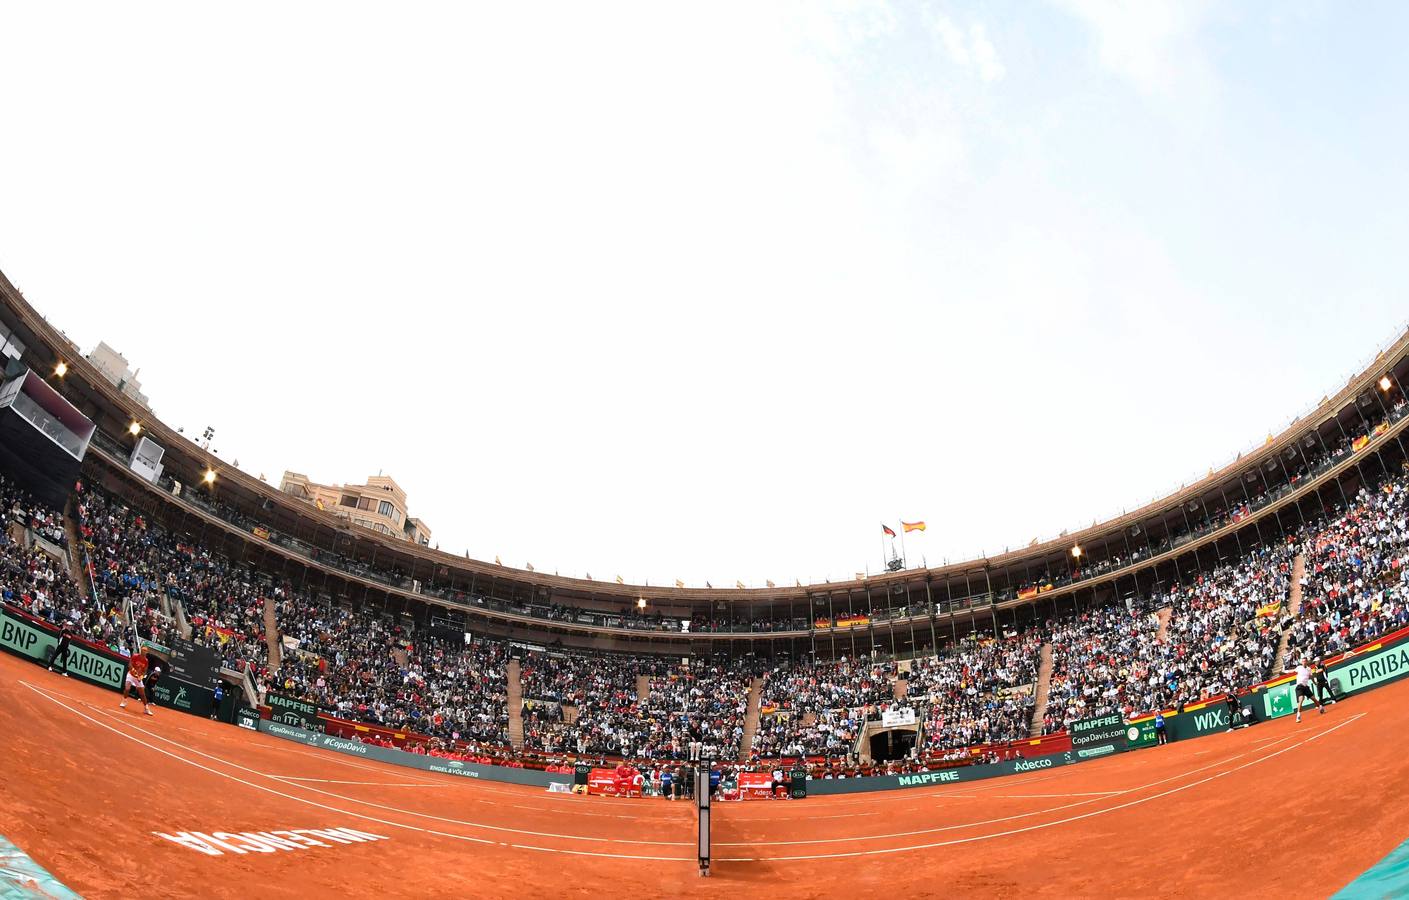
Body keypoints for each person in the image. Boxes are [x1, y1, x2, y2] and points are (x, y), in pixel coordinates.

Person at [120, 649, 155, 716]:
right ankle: (124, 701)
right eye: (143, 651)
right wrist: (134, 671)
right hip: (130, 675)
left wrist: (141, 677)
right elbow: (130, 665)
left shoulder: (146, 661)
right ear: (141, 651)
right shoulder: (135, 656)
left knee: (142, 694)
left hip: (138, 677)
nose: (144, 652)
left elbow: (145, 671)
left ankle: (146, 708)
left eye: (145, 651)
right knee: (127, 688)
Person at [1287, 658, 1324, 723]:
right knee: (1301, 700)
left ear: (1306, 662)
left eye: (1305, 661)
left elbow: (1311, 677)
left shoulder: (1309, 669)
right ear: (1301, 662)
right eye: (1303, 661)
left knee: (1314, 699)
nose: (1304, 662)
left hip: (1306, 687)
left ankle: (1320, 707)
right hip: (1299, 687)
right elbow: (1292, 671)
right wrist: (1285, 671)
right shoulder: (1299, 667)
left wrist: (1315, 683)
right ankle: (1298, 716)